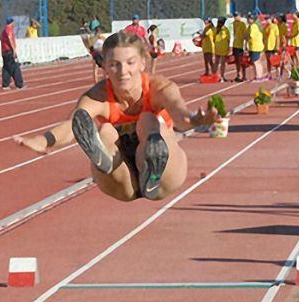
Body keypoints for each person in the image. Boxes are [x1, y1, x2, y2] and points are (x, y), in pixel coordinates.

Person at [13, 31, 219, 201]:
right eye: (114, 64)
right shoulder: (98, 97)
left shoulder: (160, 88)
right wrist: (43, 141)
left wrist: (195, 120)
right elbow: (73, 125)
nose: (123, 71)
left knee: (148, 121)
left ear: (142, 63)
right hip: (122, 179)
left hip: (166, 176)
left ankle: (152, 166)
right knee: (105, 131)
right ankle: (103, 157)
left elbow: (179, 112)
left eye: (130, 63)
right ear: (104, 67)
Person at [1, 17, 24, 90]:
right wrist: (14, 50)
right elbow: (10, 38)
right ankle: (19, 84)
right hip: (9, 51)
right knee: (15, 67)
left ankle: (5, 84)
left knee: (6, 68)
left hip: (4, 51)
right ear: (12, 22)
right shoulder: (8, 29)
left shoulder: (4, 30)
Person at [245, 13, 265, 82]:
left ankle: (258, 76)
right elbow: (246, 34)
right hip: (255, 46)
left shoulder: (253, 26)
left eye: (249, 18)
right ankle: (259, 76)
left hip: (255, 47)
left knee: (256, 62)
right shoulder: (251, 26)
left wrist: (246, 37)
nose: (248, 20)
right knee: (257, 62)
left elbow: (249, 36)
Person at [212, 16, 230, 81]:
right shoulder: (224, 29)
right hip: (222, 48)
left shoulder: (216, 29)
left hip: (219, 48)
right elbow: (228, 39)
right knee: (221, 63)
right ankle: (220, 76)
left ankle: (216, 75)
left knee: (217, 62)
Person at [231, 12, 247, 82]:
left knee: (242, 61)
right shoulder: (234, 23)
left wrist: (245, 45)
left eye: (237, 16)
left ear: (240, 16)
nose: (235, 17)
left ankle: (244, 75)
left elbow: (245, 35)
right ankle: (238, 74)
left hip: (241, 45)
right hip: (235, 45)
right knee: (237, 61)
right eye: (234, 16)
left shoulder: (242, 24)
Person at [263, 15, 280, 79]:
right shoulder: (265, 27)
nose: (267, 20)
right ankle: (269, 74)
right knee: (268, 61)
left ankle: (277, 74)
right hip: (267, 46)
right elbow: (264, 37)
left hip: (273, 46)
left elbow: (277, 37)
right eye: (266, 19)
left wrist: (277, 46)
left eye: (268, 19)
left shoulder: (274, 26)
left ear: (271, 19)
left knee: (275, 61)